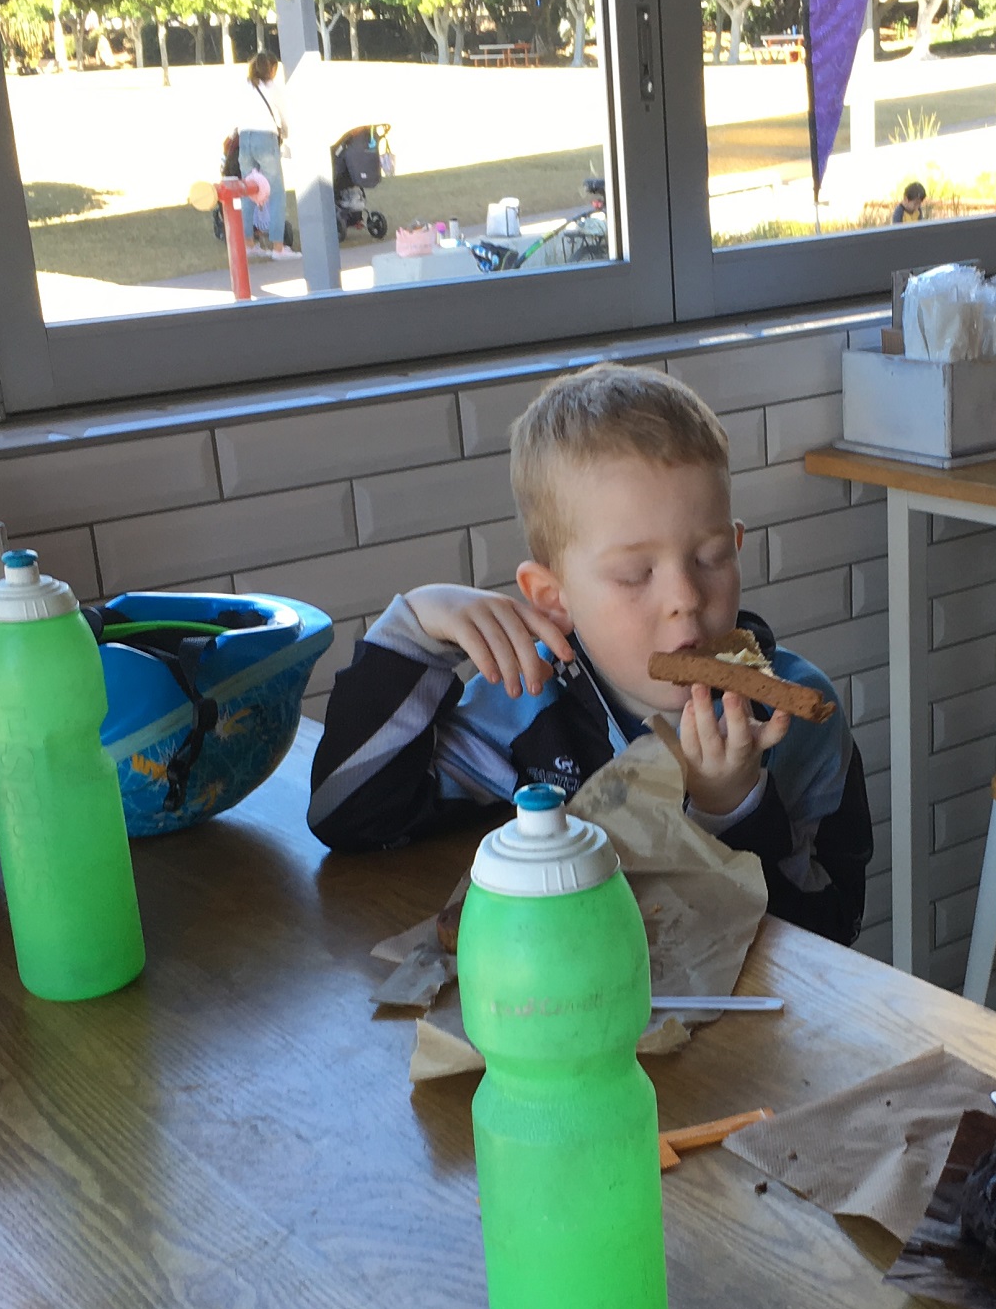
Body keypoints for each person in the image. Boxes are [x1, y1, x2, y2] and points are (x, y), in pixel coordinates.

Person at [307, 364, 872, 944]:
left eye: (710, 557)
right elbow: (348, 815)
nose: (685, 597)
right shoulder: (525, 706)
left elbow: (837, 927)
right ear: (554, 598)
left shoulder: (796, 724)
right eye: (635, 573)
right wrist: (414, 630)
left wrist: (734, 813)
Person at [238, 52, 296, 260]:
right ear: (270, 69)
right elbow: (285, 116)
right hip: (265, 138)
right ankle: (278, 247)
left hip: (244, 138)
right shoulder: (273, 88)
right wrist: (285, 133)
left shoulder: (246, 86)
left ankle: (248, 243)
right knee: (276, 192)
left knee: (248, 191)